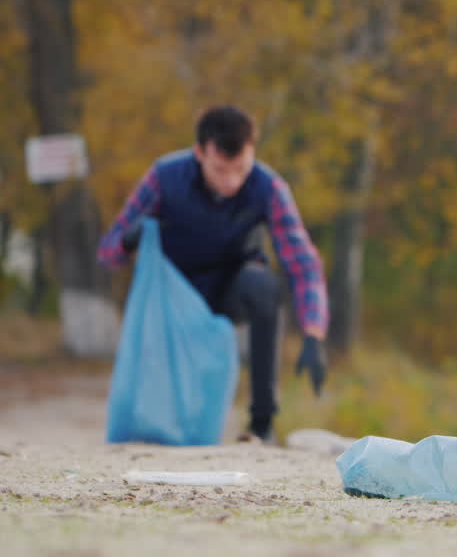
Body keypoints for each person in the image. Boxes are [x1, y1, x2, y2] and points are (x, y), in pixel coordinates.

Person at [99, 106, 329, 444]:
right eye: (221, 170)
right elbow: (108, 251)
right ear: (200, 153)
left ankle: (262, 424)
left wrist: (313, 333)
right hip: (175, 295)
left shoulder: (268, 187)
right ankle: (156, 425)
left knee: (264, 286)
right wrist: (128, 240)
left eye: (241, 169)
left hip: (232, 288)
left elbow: (302, 261)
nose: (232, 181)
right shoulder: (164, 177)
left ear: (252, 153)